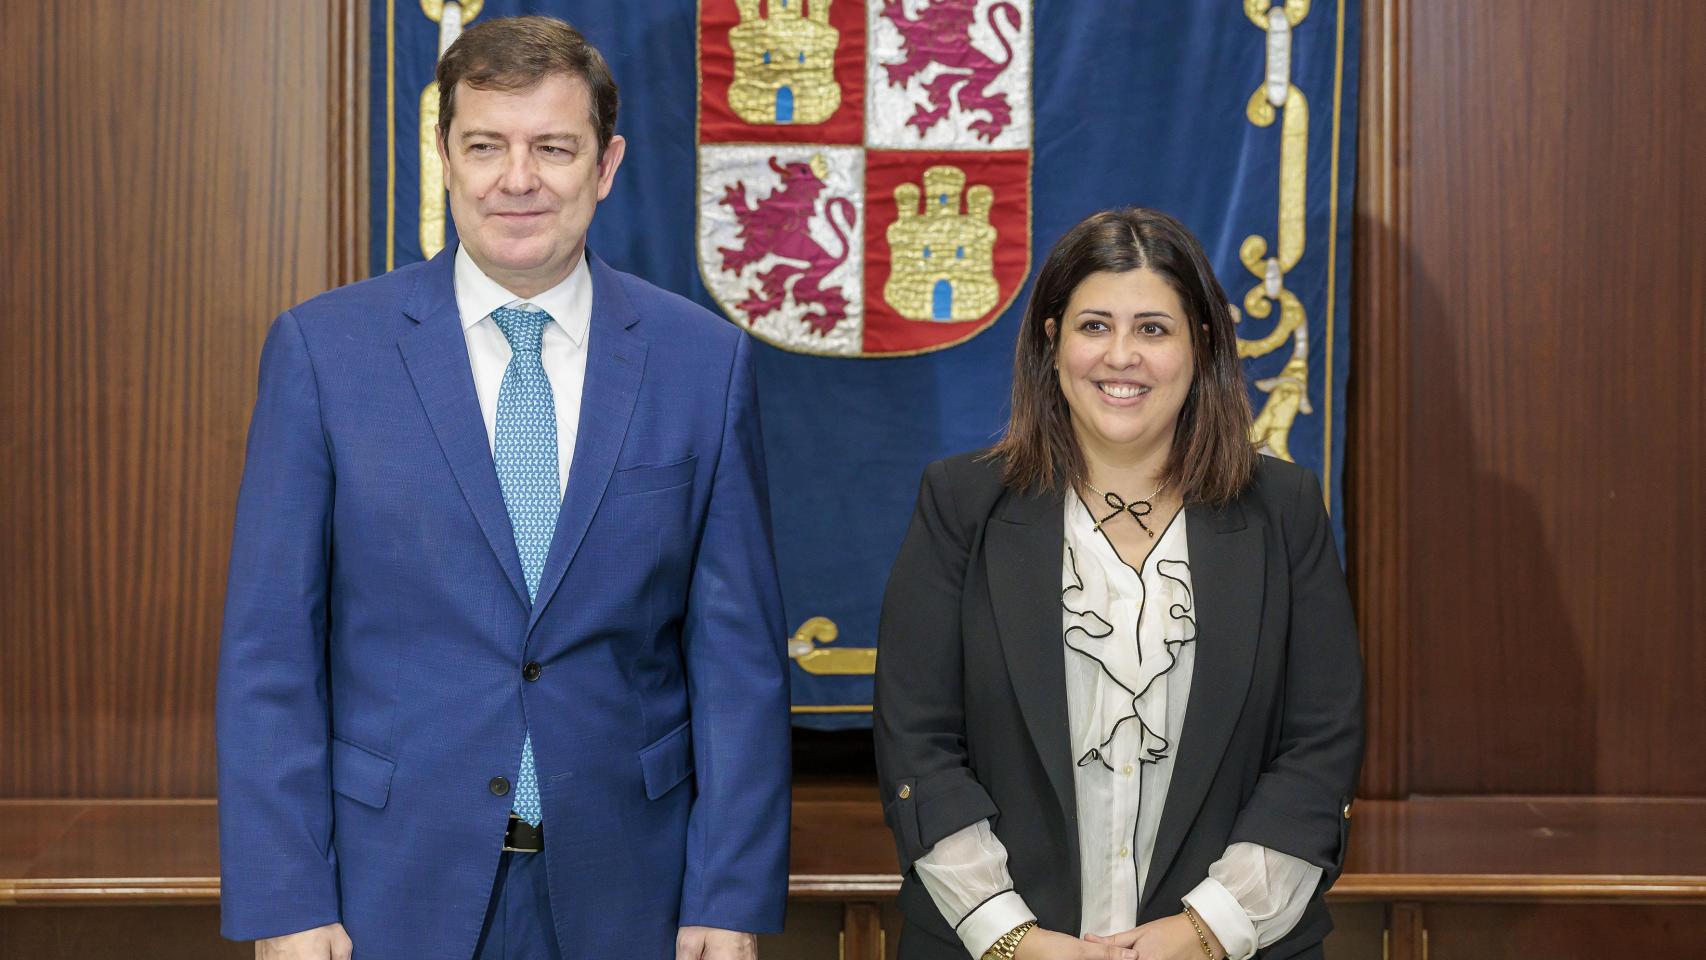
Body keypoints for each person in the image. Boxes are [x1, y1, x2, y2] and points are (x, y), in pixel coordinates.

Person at [215, 16, 790, 960]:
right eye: (485, 145)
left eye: (552, 148)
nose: (516, 179)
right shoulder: (325, 353)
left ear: (605, 167)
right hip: (384, 892)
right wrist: (285, 900)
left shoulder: (703, 362)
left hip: (632, 893)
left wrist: (727, 895)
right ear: (446, 157)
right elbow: (269, 655)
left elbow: (736, 664)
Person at [874, 209, 1363, 960]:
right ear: (1052, 340)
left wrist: (1206, 932)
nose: (1121, 357)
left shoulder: (1284, 511)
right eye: (1094, 326)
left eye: (1154, 330)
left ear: (1202, 343)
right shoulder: (959, 505)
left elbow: (1320, 745)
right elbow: (917, 741)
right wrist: (1013, 938)